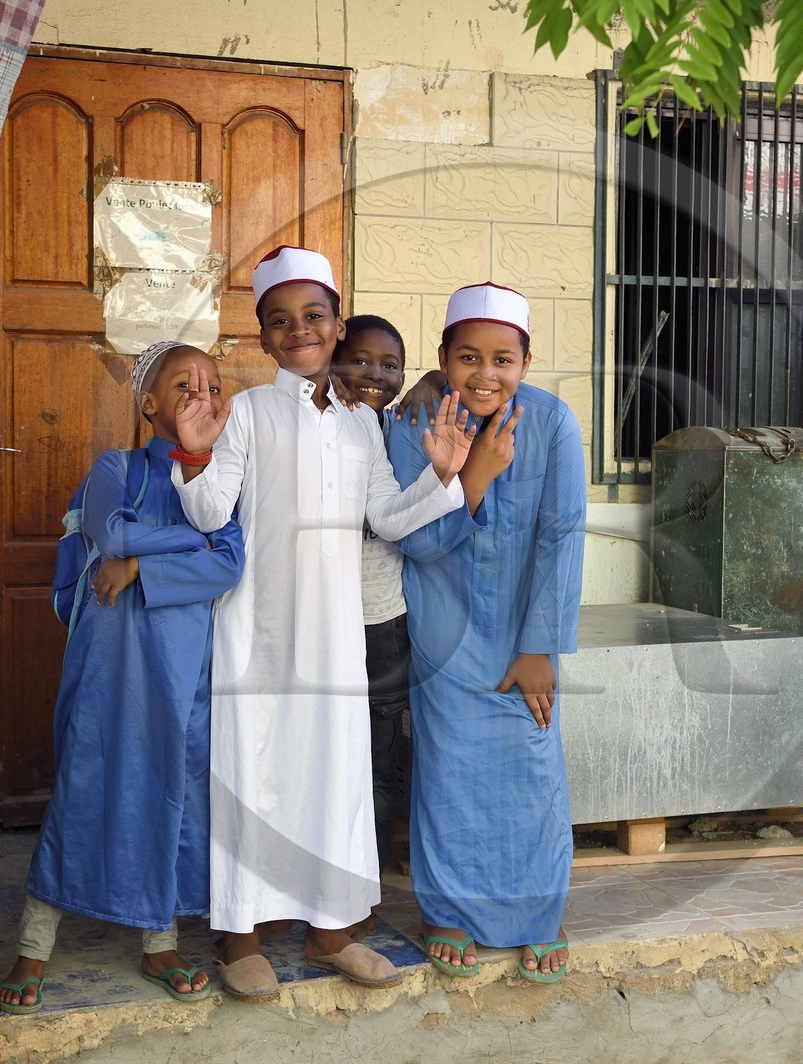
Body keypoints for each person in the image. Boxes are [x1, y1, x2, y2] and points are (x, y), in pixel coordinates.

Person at [169, 246, 475, 1000]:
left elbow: (387, 519)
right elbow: (209, 513)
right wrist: (196, 449)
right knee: (256, 769)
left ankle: (331, 928)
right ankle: (239, 934)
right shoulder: (247, 413)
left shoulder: (361, 425)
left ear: (337, 326)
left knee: (333, 774)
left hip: (336, 632)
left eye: (313, 316)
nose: (298, 330)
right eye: (281, 321)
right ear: (265, 336)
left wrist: (440, 474)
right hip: (259, 626)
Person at [0, 341, 246, 1013]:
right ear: (148, 404)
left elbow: (228, 563)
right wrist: (177, 546)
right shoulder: (119, 467)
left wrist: (145, 566)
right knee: (86, 785)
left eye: (212, 384)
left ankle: (158, 942)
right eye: (182, 384)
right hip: (111, 665)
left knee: (168, 795)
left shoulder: (220, 483)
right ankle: (34, 947)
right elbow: (113, 533)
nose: (201, 392)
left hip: (181, 671)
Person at [389, 282, 585, 983]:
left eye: (503, 358)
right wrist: (474, 471)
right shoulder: (413, 422)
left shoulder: (555, 423)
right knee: (448, 773)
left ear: (526, 362)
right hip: (445, 631)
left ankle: (537, 912)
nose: (485, 373)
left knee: (533, 769)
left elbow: (561, 537)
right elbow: (416, 543)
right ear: (443, 357)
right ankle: (447, 911)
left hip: (522, 636)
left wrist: (540, 648)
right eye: (467, 356)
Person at [331, 315, 413, 882]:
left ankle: (372, 875)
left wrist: (432, 382)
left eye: (389, 365)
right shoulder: (319, 426)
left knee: (381, 752)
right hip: (322, 616)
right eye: (360, 359)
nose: (375, 374)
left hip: (383, 619)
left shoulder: (402, 427)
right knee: (328, 749)